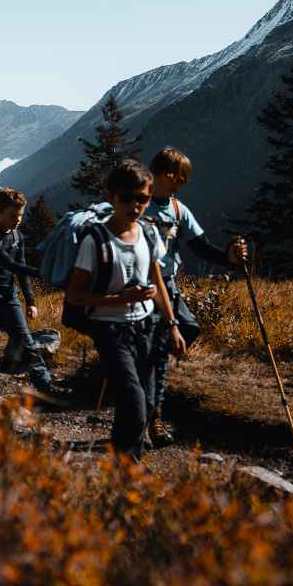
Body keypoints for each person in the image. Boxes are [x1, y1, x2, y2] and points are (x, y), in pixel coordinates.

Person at [64, 160, 186, 461]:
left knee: (142, 401)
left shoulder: (148, 233)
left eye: (142, 199)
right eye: (127, 198)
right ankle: (127, 467)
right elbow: (75, 294)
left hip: (146, 326)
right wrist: (119, 298)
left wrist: (172, 323)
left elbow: (156, 276)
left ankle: (126, 460)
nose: (135, 205)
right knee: (133, 398)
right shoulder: (95, 241)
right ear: (112, 197)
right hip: (110, 330)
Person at [143, 147, 247, 444]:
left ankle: (148, 388)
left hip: (168, 283)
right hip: (142, 287)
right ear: (165, 173)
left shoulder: (178, 210)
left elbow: (200, 246)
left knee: (188, 329)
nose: (183, 183)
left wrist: (229, 259)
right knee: (157, 358)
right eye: (180, 177)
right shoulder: (139, 202)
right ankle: (154, 419)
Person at [0, 188, 70, 400]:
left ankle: (46, 386)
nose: (18, 220)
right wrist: (45, 273)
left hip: (8, 298)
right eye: (13, 216)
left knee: (27, 342)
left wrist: (31, 301)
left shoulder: (17, 236)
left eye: (20, 215)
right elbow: (8, 263)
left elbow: (20, 269)